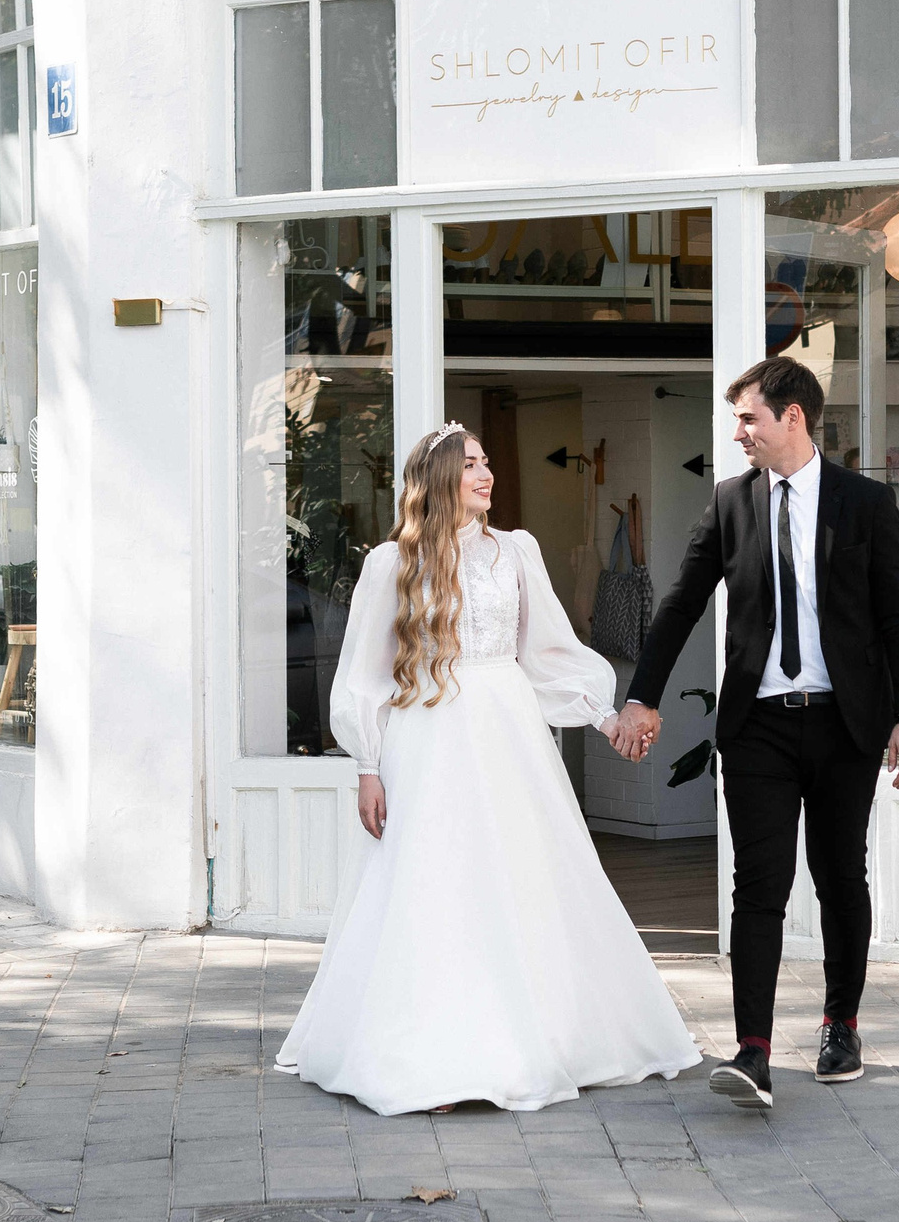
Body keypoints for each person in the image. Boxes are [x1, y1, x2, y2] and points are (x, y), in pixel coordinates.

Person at [274, 423, 704, 1115]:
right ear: (440, 478)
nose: (486, 474)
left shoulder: (517, 552)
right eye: (470, 464)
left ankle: (550, 1037)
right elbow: (365, 673)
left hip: (508, 736)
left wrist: (605, 715)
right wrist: (367, 765)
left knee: (524, 878)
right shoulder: (392, 564)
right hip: (427, 739)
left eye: (485, 461)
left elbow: (549, 652)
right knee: (436, 887)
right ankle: (435, 1059)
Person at [609, 357, 899, 1111]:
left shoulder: (864, 503)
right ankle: (752, 1050)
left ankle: (840, 1026)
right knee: (758, 886)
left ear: (793, 416)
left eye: (748, 417)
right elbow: (683, 604)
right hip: (759, 730)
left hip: (846, 727)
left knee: (840, 878)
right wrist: (641, 698)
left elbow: (898, 620)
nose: (738, 432)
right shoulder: (731, 504)